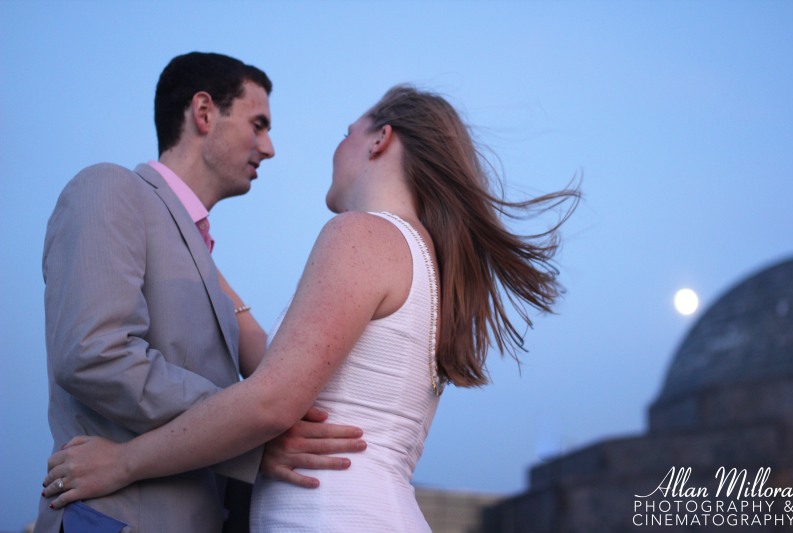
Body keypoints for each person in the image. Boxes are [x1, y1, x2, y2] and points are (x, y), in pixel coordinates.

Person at [42, 85, 579, 531]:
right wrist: (195, 251)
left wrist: (123, 462)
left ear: (380, 140)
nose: (336, 148)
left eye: (347, 133)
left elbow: (270, 402)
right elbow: (282, 365)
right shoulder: (421, 259)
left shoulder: (361, 235)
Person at [35, 51, 366, 533]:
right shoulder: (109, 187)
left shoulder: (201, 251)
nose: (269, 147)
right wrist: (247, 428)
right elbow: (95, 354)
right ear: (205, 112)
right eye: (258, 124)